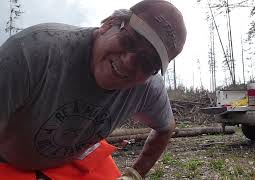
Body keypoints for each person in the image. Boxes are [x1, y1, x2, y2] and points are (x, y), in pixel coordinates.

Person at [0, 0, 187, 179]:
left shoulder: (148, 87)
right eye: (130, 40)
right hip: (8, 162)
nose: (129, 61)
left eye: (147, 62)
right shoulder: (32, 53)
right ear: (109, 23)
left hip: (73, 163)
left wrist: (134, 175)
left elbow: (165, 128)